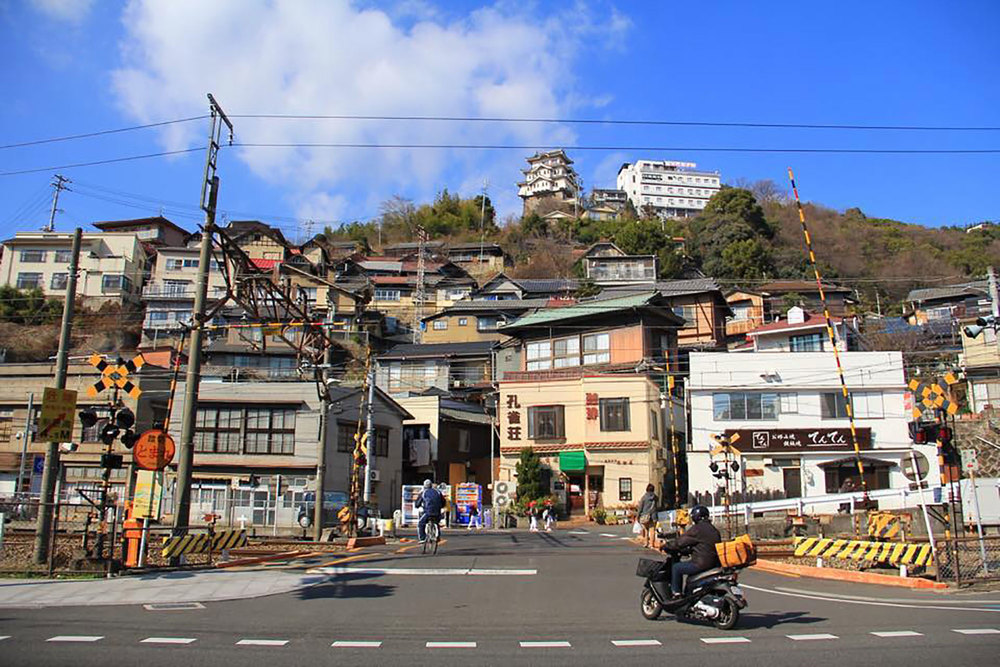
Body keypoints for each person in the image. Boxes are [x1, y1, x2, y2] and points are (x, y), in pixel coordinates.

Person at [661, 504, 721, 598]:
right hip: (714, 562)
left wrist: (667, 546)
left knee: (677, 568)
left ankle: (676, 593)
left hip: (701, 563)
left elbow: (681, 542)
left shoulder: (697, 529)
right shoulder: (713, 529)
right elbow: (703, 545)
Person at [637, 483, 658, 549]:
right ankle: (651, 544)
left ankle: (646, 543)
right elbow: (658, 505)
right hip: (653, 515)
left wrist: (638, 515)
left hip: (645, 516)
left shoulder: (644, 497)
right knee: (652, 530)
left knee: (645, 530)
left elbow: (640, 507)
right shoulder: (655, 497)